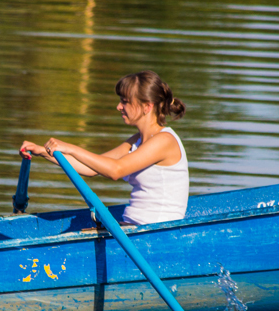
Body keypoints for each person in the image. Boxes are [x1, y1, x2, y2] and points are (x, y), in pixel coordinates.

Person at [20, 70, 189, 225]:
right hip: (131, 227)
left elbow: (115, 170)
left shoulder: (164, 141)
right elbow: (92, 168)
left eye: (125, 102)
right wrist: (43, 151)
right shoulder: (137, 141)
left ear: (147, 107)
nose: (118, 107)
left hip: (156, 231)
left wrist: (70, 147)